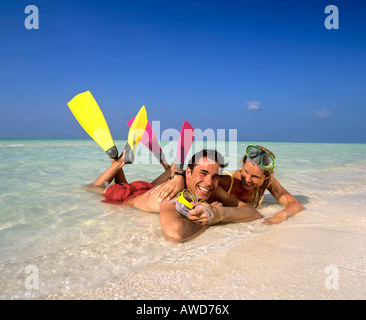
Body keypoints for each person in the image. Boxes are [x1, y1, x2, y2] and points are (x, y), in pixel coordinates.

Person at [90, 149, 263, 243]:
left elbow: (254, 213)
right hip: (123, 196)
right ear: (189, 172)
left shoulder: (211, 188)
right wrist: (207, 221)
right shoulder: (173, 196)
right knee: (93, 190)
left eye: (215, 177)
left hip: (148, 188)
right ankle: (119, 162)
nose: (209, 183)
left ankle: (169, 169)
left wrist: (219, 213)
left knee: (158, 179)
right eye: (202, 173)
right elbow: (175, 233)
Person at [156, 144, 303, 225]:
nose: (247, 179)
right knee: (167, 177)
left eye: (255, 177)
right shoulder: (227, 180)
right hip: (181, 175)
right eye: (245, 171)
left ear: (265, 178)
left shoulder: (269, 183)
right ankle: (168, 166)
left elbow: (295, 204)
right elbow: (197, 183)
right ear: (242, 165)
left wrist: (282, 214)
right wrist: (178, 177)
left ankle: (169, 167)